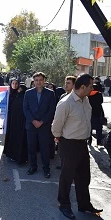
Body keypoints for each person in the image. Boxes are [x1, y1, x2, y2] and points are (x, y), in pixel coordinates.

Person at [52, 73, 103, 219]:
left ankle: (84, 204)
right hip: (69, 143)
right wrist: (58, 138)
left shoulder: (85, 99)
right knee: (67, 177)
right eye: (91, 86)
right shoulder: (66, 102)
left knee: (84, 176)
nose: (92, 88)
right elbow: (56, 125)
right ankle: (64, 205)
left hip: (82, 143)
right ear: (82, 87)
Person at [23, 72, 56, 178]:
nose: (38, 82)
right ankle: (33, 166)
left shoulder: (50, 93)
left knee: (44, 148)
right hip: (31, 125)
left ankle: (46, 169)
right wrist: (33, 121)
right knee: (31, 147)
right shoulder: (28, 93)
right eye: (36, 80)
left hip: (44, 125)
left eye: (40, 80)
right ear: (34, 81)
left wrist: (41, 121)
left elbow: (52, 110)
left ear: (44, 81)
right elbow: (25, 109)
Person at [3, 84, 28, 165]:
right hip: (16, 124)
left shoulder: (22, 98)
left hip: (18, 124)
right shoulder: (17, 97)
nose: (19, 90)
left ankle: (18, 157)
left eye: (21, 89)